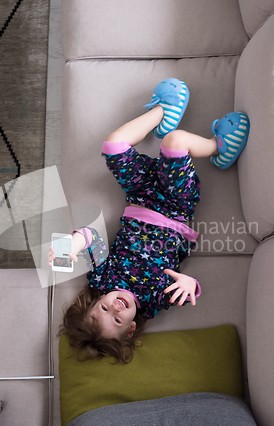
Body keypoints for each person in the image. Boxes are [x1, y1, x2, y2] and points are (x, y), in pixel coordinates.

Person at [49, 78, 250, 363]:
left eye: (104, 310)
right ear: (131, 328)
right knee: (175, 141)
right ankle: (217, 148)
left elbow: (91, 237)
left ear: (95, 301)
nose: (115, 309)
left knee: (113, 146)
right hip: (175, 208)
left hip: (140, 195)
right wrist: (186, 283)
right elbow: (188, 287)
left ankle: (161, 112)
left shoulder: (102, 277)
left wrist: (72, 243)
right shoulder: (153, 300)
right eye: (118, 321)